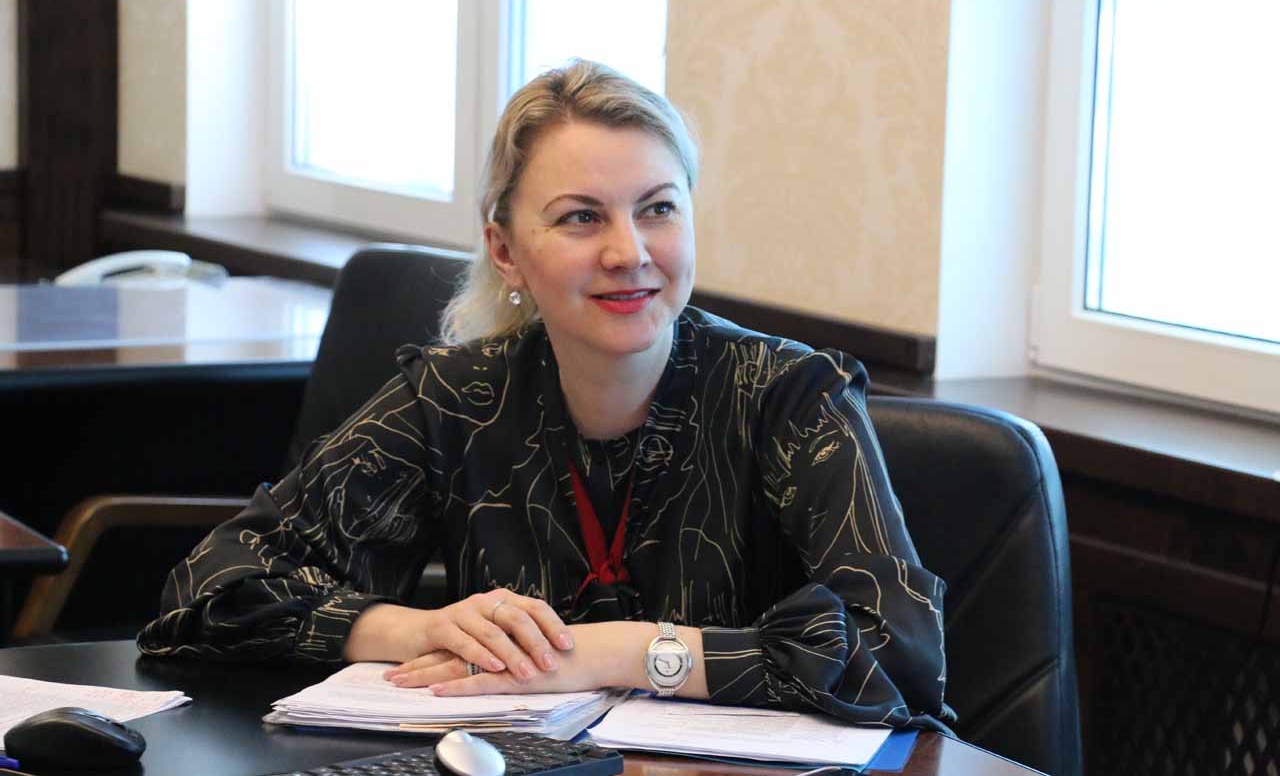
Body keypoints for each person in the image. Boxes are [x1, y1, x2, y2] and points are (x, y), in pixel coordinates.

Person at [137, 60, 954, 731]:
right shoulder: (457, 397)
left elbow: (901, 650)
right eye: (581, 218)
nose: (629, 251)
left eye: (658, 209)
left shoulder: (789, 395)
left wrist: (613, 652)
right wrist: (411, 628)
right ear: (504, 249)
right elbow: (209, 589)